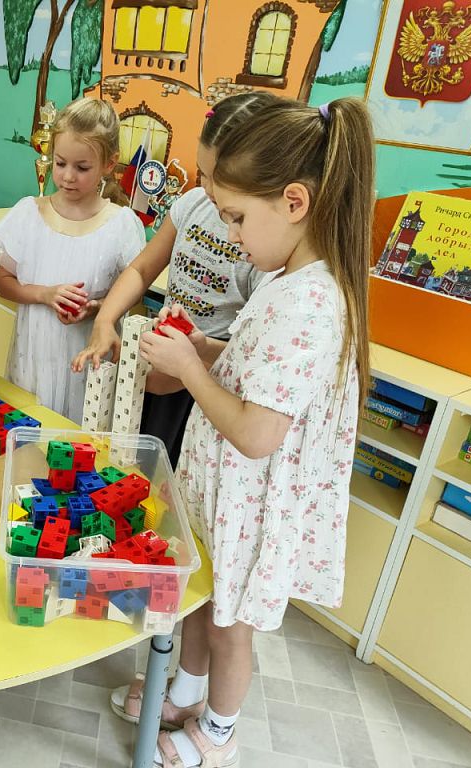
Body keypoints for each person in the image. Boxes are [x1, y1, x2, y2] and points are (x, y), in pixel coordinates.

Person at [122, 97, 374, 768]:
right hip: (227, 494)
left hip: (252, 502)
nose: (230, 234)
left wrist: (188, 369)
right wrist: (205, 350)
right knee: (205, 603)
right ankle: (185, 692)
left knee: (229, 625)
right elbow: (252, 371)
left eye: (236, 216)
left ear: (294, 202)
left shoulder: (309, 304)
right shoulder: (284, 278)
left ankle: (219, 733)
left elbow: (259, 433)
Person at [72, 92, 279, 467]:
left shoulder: (265, 244)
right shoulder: (193, 204)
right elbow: (141, 269)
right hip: (163, 360)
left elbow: (246, 349)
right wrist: (105, 320)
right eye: (202, 174)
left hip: (204, 381)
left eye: (216, 178)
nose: (207, 188)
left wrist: (186, 368)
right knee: (127, 462)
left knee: (168, 472)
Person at [0, 97, 145, 423]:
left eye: (82, 168)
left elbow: (133, 300)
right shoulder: (29, 213)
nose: (68, 176)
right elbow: (2, 283)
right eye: (60, 163)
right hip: (31, 363)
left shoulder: (122, 225)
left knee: (76, 444)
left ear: (109, 164)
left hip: (86, 371)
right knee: (27, 435)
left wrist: (96, 308)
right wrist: (45, 294)